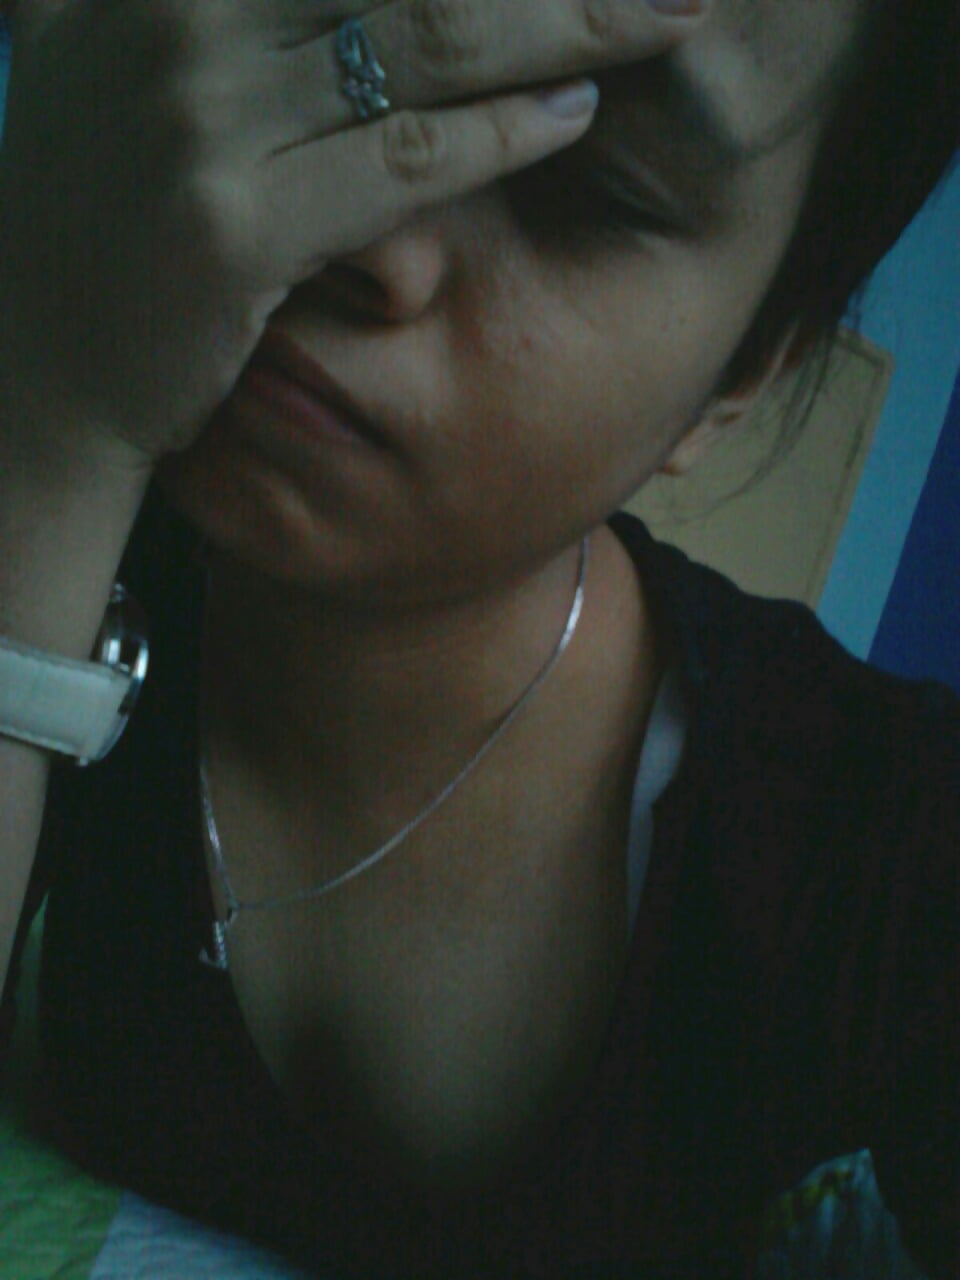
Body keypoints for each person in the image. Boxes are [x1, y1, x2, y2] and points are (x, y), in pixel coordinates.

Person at [0, 0, 957, 1275]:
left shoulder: (883, 856)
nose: (370, 236)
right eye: (331, 44)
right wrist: (54, 416)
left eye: (591, 183)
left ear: (742, 375)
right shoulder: (48, 465)